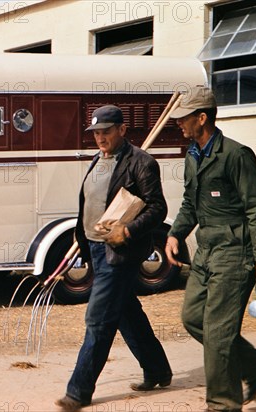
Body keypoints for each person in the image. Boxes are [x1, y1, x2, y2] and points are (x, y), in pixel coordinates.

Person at [165, 87, 256, 411]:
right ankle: (254, 364)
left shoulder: (235, 155)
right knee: (193, 319)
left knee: (217, 332)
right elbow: (190, 202)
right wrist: (175, 234)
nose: (179, 124)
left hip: (235, 253)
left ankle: (222, 404)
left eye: (183, 118)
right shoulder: (192, 154)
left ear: (202, 118)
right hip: (205, 252)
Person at [56, 105, 172, 410]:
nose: (100, 137)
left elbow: (158, 208)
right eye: (96, 132)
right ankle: (158, 370)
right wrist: (80, 237)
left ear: (122, 129)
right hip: (95, 248)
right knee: (125, 312)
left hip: (119, 252)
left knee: (99, 318)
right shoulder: (99, 159)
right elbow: (91, 202)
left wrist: (128, 231)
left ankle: (78, 391)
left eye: (106, 131)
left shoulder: (141, 162)